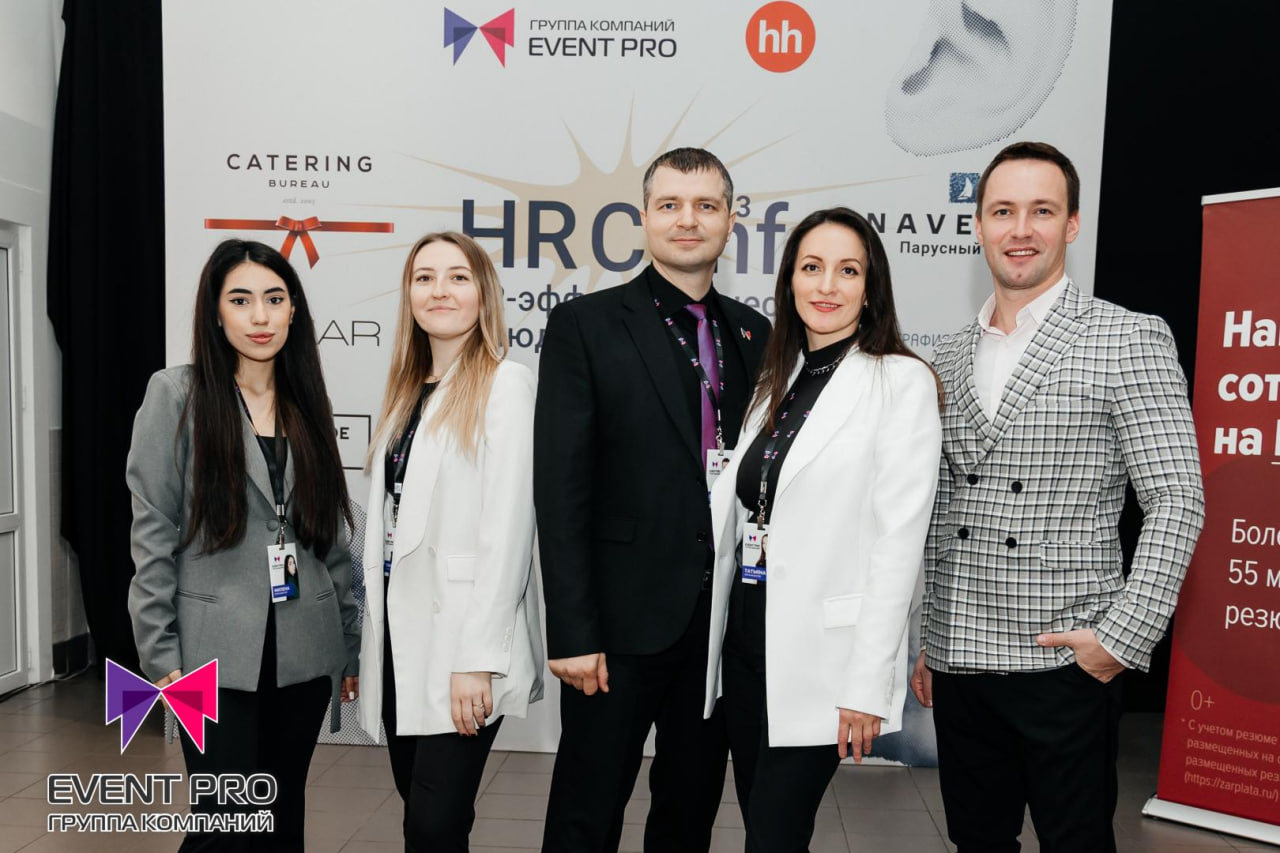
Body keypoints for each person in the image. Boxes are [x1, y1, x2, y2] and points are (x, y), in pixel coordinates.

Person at [910, 141, 1205, 853]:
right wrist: (928, 636)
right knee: (977, 842)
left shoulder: (1127, 337)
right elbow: (940, 509)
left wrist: (1120, 641)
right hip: (959, 655)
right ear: (977, 225)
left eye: (1041, 211)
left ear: (1072, 223)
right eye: (1002, 211)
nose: (1020, 230)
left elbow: (1178, 499)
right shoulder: (945, 353)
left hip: (1064, 659)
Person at [536, 147, 771, 852]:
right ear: (643, 217)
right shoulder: (586, 325)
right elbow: (561, 488)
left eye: (705, 205)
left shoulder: (755, 334)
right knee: (586, 813)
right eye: (669, 205)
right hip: (617, 625)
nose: (687, 220)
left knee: (688, 812)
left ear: (730, 220)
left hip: (718, 624)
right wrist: (573, 632)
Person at [703, 207, 942, 851]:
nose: (827, 285)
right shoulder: (774, 381)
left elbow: (899, 544)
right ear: (789, 281)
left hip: (826, 661)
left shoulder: (901, 382)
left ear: (871, 287)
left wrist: (866, 685)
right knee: (762, 824)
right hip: (746, 645)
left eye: (848, 270)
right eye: (812, 267)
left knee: (774, 833)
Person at [127, 239, 359, 851]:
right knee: (222, 824)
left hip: (304, 652)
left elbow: (329, 537)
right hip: (209, 653)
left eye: (274, 299)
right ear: (215, 310)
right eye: (241, 299)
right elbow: (152, 532)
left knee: (281, 823)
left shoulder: (307, 401)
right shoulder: (176, 395)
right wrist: (159, 654)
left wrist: (350, 644)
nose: (260, 316)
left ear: (293, 311)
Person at [357, 231, 544, 850]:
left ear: (483, 293)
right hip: (401, 636)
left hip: (461, 643)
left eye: (458, 277)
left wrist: (477, 660)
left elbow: (508, 532)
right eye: (424, 277)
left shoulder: (505, 383)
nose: (439, 290)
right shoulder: (406, 391)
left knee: (433, 823)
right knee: (422, 810)